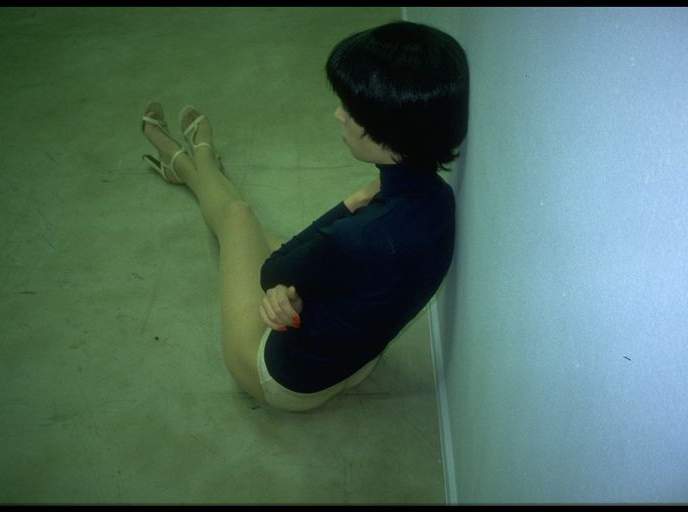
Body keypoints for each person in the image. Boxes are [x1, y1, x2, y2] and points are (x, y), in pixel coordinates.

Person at [140, 21, 469, 412]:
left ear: (388, 130)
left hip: (283, 380)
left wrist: (351, 201)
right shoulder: (439, 198)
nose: (338, 114)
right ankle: (194, 170)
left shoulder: (357, 235)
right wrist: (298, 289)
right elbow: (352, 274)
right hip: (357, 359)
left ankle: (196, 161)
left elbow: (272, 272)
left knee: (237, 217)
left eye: (351, 110)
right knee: (254, 234)